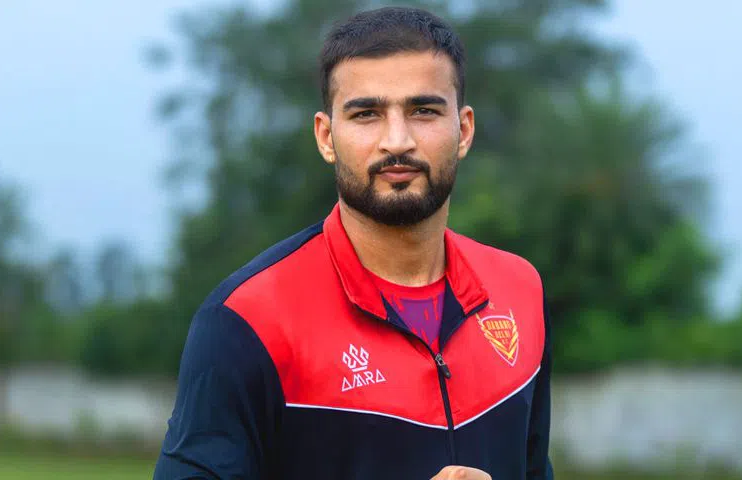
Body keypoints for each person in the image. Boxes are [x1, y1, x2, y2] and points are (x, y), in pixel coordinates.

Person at [153, 6, 553, 480]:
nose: (397, 141)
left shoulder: (520, 289)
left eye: (424, 111)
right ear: (326, 137)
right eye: (367, 114)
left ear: (463, 130)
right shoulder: (245, 321)